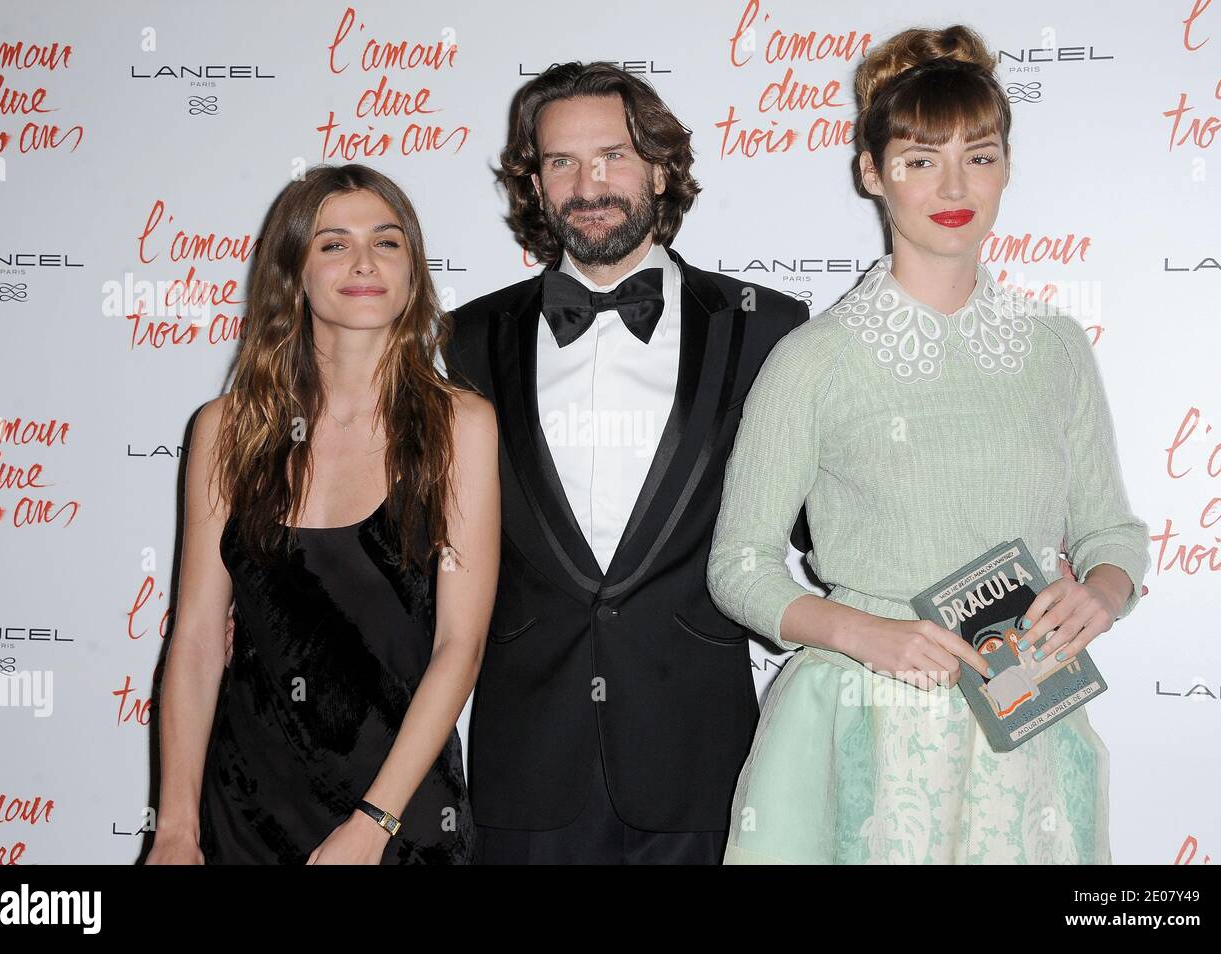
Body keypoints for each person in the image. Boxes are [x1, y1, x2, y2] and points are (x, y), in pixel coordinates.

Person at [706, 25, 1151, 864]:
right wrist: (860, 632)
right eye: (920, 159)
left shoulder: (1055, 346)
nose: (954, 185)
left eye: (978, 155)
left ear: (1007, 165)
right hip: (867, 724)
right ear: (872, 173)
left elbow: (1111, 532)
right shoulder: (815, 358)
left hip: (1030, 726)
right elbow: (739, 564)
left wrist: (1103, 590)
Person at [440, 62, 810, 864]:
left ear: (663, 167)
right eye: (561, 163)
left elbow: (835, 523)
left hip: (702, 768)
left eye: (612, 155)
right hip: (526, 771)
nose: (588, 184)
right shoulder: (469, 338)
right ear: (533, 184)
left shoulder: (766, 329)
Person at [146, 164, 499, 865]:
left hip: (402, 814)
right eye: (334, 244)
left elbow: (460, 646)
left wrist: (374, 822)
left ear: (412, 271)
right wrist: (178, 827)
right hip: (243, 811)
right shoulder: (228, 428)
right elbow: (195, 641)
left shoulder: (461, 425)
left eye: (387, 242)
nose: (365, 262)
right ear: (293, 272)